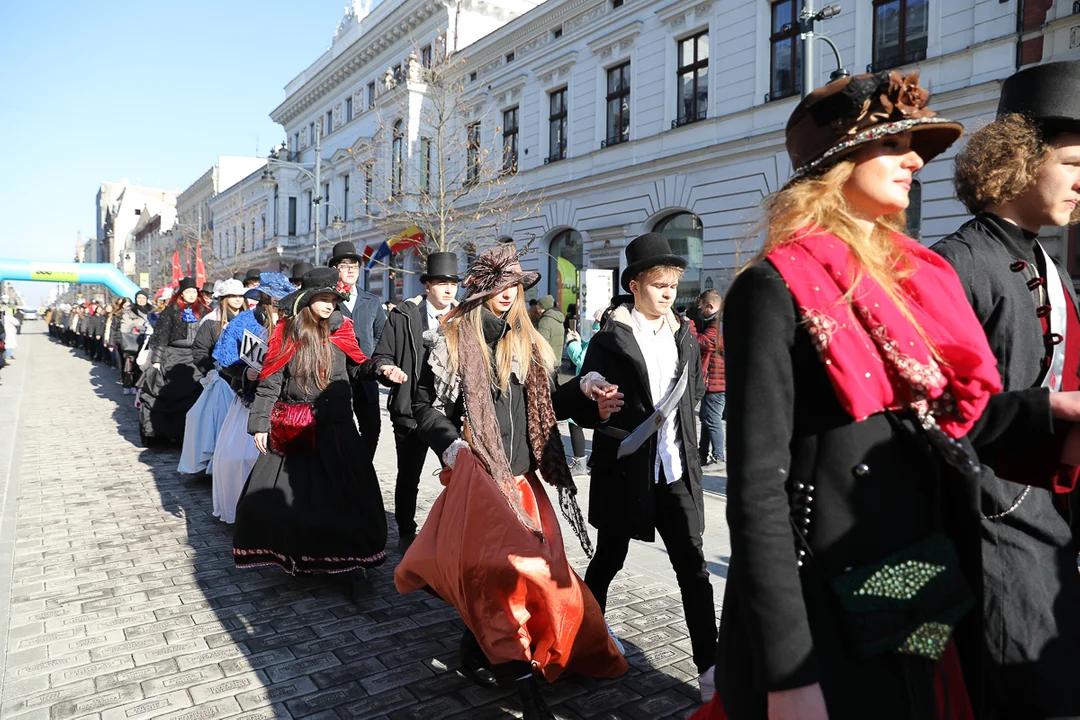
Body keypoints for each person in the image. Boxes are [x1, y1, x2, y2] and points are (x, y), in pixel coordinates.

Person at [693, 71, 1080, 720]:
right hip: (823, 594)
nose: (913, 161)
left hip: (913, 575)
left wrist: (1052, 413)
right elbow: (757, 490)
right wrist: (790, 673)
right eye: (890, 146)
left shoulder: (909, 277)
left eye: (916, 149)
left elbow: (947, 421)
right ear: (834, 162)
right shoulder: (773, 285)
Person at [398, 245, 627, 719]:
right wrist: (451, 446)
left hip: (525, 479)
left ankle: (479, 647)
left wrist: (584, 392)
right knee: (504, 580)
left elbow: (546, 410)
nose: (509, 294)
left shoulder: (526, 340)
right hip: (480, 480)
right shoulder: (454, 340)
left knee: (534, 576)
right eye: (501, 285)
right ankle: (526, 689)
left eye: (515, 286)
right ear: (483, 289)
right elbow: (422, 405)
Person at [932, 60, 1080, 720]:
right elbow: (928, 414)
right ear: (1020, 158)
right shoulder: (959, 262)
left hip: (1051, 529)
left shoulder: (1048, 261)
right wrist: (1045, 409)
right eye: (1074, 163)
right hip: (994, 534)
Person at [564, 232, 716, 701]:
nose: (668, 292)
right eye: (658, 283)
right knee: (608, 561)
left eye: (672, 283)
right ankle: (583, 644)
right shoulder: (611, 338)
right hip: (627, 469)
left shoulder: (686, 335)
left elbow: (693, 395)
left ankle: (710, 670)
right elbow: (583, 397)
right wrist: (596, 402)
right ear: (635, 284)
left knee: (693, 570)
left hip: (675, 472)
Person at [234, 268, 404, 592]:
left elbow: (359, 366)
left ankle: (352, 563)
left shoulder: (342, 330)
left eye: (334, 298)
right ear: (307, 299)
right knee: (298, 500)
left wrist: (382, 368)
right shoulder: (286, 334)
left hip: (338, 429)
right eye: (323, 298)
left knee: (349, 497)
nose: (330, 304)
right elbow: (270, 383)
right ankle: (302, 556)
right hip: (296, 431)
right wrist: (259, 424)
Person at [368, 251, 460, 549]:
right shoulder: (404, 314)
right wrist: (386, 368)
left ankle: (454, 531)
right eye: (442, 283)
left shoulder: (464, 318)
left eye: (453, 284)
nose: (449, 289)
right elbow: (382, 354)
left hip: (448, 412)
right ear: (428, 285)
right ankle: (406, 531)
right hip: (409, 408)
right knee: (409, 476)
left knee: (459, 474)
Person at [211, 272, 296, 525]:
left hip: (287, 402)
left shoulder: (293, 322)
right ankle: (246, 513)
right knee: (238, 460)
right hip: (250, 401)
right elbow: (224, 361)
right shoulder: (244, 321)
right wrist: (244, 371)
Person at [179, 279, 247, 477]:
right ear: (224, 299)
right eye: (233, 296)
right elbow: (200, 349)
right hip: (222, 380)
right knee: (219, 424)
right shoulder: (211, 321)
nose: (237, 300)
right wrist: (209, 370)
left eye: (240, 296)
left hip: (246, 378)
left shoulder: (249, 318)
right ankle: (219, 464)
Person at [327, 241, 387, 462]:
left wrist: (375, 362)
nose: (351, 269)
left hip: (365, 376)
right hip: (336, 377)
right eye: (345, 265)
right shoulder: (326, 301)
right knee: (339, 430)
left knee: (372, 429)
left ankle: (362, 469)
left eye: (355, 265)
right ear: (335, 269)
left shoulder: (372, 301)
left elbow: (382, 335)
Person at [139, 277, 209, 445]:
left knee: (194, 398)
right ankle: (166, 433)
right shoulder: (171, 311)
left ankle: (187, 436)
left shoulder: (205, 311)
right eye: (188, 292)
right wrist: (156, 362)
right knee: (169, 396)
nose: (191, 295)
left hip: (196, 358)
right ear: (181, 294)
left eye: (194, 291)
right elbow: (161, 337)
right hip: (173, 357)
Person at [564, 308, 605, 476]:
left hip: (589, 386)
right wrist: (580, 342)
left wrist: (571, 344)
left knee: (574, 421)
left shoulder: (600, 338)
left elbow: (582, 360)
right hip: (600, 387)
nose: (594, 324)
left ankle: (580, 461)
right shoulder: (611, 337)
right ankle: (596, 458)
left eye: (596, 320)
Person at [696, 289, 726, 470]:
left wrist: (690, 328)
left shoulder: (717, 324)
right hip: (712, 380)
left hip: (717, 381)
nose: (700, 311)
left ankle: (718, 458)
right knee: (706, 418)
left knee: (713, 419)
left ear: (711, 306)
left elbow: (706, 343)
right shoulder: (715, 322)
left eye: (702, 307)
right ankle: (701, 456)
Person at [119, 291, 150, 395]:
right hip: (133, 339)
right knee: (130, 364)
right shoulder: (129, 311)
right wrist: (135, 328)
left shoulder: (152, 310)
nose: (141, 300)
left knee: (143, 364)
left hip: (147, 341)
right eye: (139, 298)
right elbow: (125, 326)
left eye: (143, 298)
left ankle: (140, 385)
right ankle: (128, 385)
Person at [535, 295, 566, 362]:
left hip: (547, 361)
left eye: (539, 307)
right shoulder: (558, 319)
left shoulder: (545, 321)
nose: (538, 310)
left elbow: (542, 343)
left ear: (542, 307)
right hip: (556, 359)